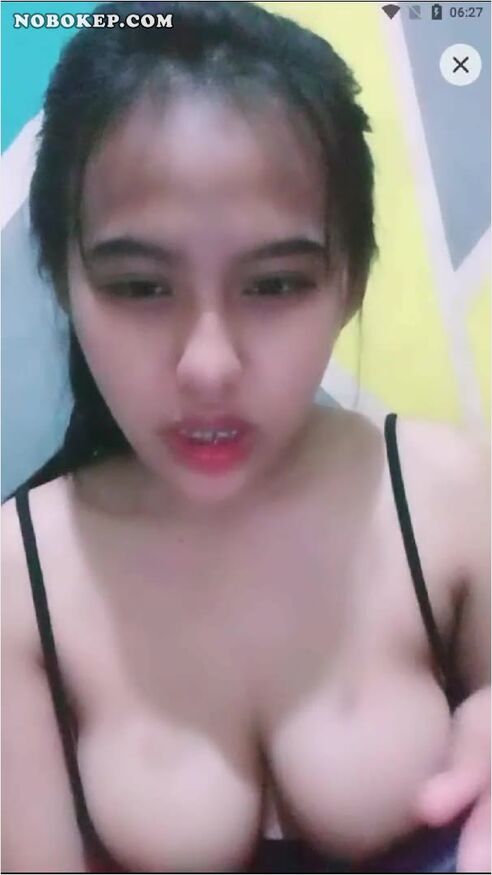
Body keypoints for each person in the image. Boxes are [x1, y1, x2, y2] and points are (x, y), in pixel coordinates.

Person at [2, 2, 490, 873]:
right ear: (63, 278)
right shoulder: (16, 580)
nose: (209, 365)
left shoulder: (451, 496)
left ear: (350, 279)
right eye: (140, 287)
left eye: (273, 285)